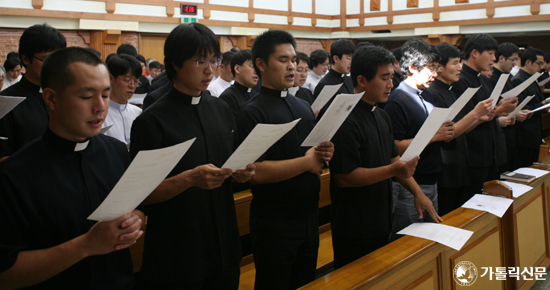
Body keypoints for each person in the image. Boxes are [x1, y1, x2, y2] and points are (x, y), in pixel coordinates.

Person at [0, 47, 144, 289]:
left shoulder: (117, 153)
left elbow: (136, 211)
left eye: (106, 95)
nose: (100, 107)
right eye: (87, 97)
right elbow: (5, 273)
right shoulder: (15, 175)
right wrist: (86, 245)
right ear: (51, 98)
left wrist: (133, 222)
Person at [130, 23, 254, 289]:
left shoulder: (221, 110)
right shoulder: (152, 120)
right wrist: (187, 179)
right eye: (200, 61)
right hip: (178, 253)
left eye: (214, 60)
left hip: (224, 245)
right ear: (174, 63)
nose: (209, 70)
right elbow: (139, 194)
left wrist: (242, 173)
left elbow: (230, 166)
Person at [236, 30, 334, 290]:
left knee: (304, 283)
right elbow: (253, 172)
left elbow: (314, 157)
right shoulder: (252, 112)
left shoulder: (302, 106)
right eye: (283, 60)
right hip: (275, 223)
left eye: (293, 60)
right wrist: (307, 162)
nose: (292, 66)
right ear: (261, 64)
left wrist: (324, 154)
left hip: (309, 217)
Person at [330, 45, 439, 270]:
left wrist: (419, 194)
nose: (391, 84)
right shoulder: (344, 118)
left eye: (392, 76)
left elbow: (392, 161)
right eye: (384, 78)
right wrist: (394, 171)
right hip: (354, 222)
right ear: (362, 80)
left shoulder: (381, 115)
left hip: (381, 215)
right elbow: (345, 177)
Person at [383, 39, 446, 241]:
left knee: (428, 240)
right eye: (431, 68)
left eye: (436, 68)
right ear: (412, 67)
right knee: (408, 242)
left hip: (431, 177)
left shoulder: (427, 95)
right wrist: (434, 136)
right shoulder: (397, 99)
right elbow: (393, 147)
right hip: (409, 184)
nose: (435, 74)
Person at [426, 42, 493, 215]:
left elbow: (460, 127)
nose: (460, 68)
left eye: (460, 62)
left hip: (460, 163)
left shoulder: (449, 90)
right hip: (446, 166)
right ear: (439, 67)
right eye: (455, 63)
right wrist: (474, 113)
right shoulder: (434, 93)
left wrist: (479, 118)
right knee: (449, 214)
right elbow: (448, 133)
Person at [451, 34, 507, 197]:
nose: (493, 58)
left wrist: (499, 108)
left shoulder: (482, 79)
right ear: (475, 53)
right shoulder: (461, 81)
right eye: (490, 53)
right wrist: (497, 111)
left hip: (489, 154)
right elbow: (464, 120)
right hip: (473, 155)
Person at [0, 24, 66, 159]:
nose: (54, 65)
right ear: (25, 59)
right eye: (46, 59)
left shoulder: (66, 96)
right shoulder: (6, 102)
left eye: (59, 58)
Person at [511, 47, 548, 168]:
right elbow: (521, 107)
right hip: (524, 135)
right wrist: (542, 105)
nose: (541, 67)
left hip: (534, 132)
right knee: (524, 168)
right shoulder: (518, 80)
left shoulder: (531, 78)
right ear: (528, 62)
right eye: (539, 63)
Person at [102, 54, 143, 145]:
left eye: (136, 82)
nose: (132, 86)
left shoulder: (138, 113)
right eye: (127, 80)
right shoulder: (100, 113)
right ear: (111, 79)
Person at [314, 39, 356, 116]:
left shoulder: (349, 79)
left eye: (352, 59)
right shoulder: (325, 84)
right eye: (348, 58)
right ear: (336, 58)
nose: (351, 63)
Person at [219, 49, 258, 118]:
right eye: (252, 67)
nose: (256, 71)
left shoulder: (256, 95)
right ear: (237, 69)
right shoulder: (228, 98)